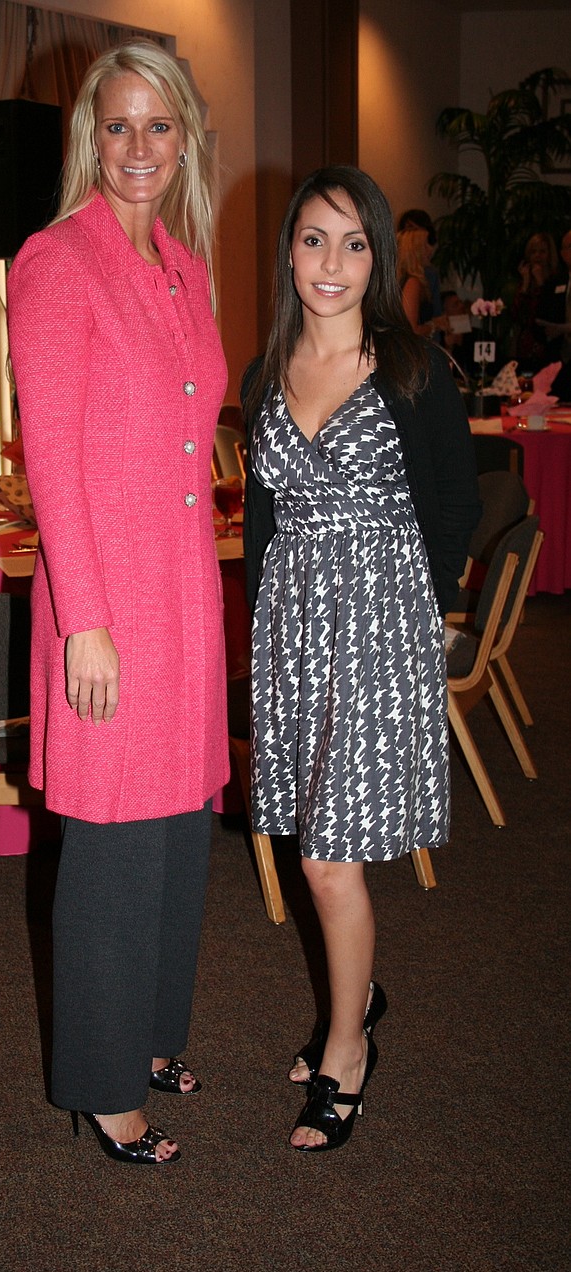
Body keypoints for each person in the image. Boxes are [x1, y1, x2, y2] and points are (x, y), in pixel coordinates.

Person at [7, 41, 228, 1165]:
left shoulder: (183, 265)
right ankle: (101, 1085)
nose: (137, 148)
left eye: (157, 126)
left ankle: (146, 1034)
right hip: (106, 605)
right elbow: (49, 456)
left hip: (183, 597)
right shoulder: (58, 260)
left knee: (178, 833)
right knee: (107, 846)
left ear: (183, 135)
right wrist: (83, 619)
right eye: (116, 127)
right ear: (91, 138)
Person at [243, 166, 480, 1152]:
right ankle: (361, 992)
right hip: (292, 628)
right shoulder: (265, 372)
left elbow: (455, 506)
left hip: (379, 628)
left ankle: (346, 1047)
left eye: (352, 243)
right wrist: (261, 643)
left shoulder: (411, 368)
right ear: (288, 251)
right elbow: (259, 517)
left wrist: (437, 619)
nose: (330, 263)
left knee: (332, 861)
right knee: (311, 844)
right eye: (311, 240)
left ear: (378, 257)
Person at [511, 231, 559, 370]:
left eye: (542, 251)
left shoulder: (556, 281)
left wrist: (540, 284)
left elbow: (548, 312)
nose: (537, 256)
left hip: (549, 346)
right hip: (526, 346)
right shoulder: (525, 283)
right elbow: (517, 315)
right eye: (533, 252)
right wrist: (525, 284)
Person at [535, 227, 571, 400]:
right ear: (563, 253)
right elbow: (541, 318)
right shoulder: (555, 283)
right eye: (569, 247)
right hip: (559, 359)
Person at [397, 225, 448, 339]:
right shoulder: (413, 283)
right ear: (416, 250)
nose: (431, 249)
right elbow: (411, 330)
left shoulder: (406, 279)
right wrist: (434, 325)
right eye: (426, 245)